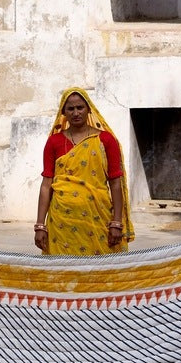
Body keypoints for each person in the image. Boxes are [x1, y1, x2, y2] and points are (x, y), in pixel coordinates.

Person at [34, 88, 134, 256]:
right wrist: (40, 226)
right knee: (63, 271)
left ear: (89, 109)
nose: (76, 113)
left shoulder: (106, 140)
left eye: (80, 107)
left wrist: (117, 222)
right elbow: (46, 186)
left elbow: (116, 182)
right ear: (63, 112)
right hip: (61, 221)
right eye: (70, 109)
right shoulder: (54, 142)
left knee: (101, 271)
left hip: (97, 218)